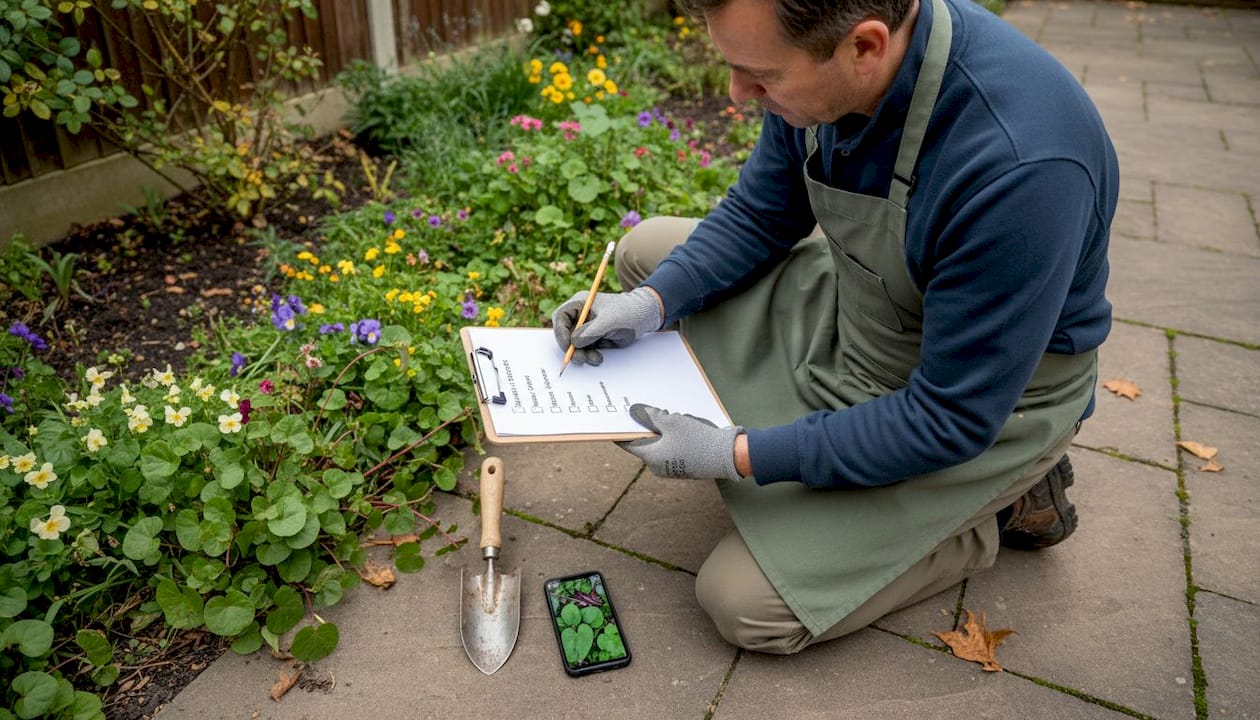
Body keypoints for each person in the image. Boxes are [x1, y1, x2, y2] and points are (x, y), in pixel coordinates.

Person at [552, 0, 1117, 654]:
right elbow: (762, 213)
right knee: (646, 253)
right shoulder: (829, 71)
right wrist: (649, 306)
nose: (738, 95)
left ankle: (982, 513)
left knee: (742, 605)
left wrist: (734, 454)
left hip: (977, 402)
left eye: (760, 76)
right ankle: (826, 457)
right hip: (861, 308)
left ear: (866, 47)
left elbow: (948, 418)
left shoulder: (1021, 164)